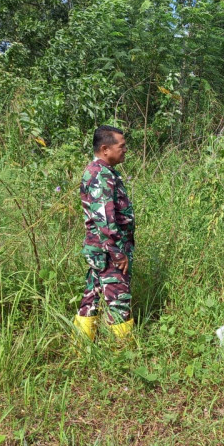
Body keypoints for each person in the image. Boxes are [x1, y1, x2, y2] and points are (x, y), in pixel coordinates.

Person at [73, 125, 136, 341]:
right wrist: (118, 252)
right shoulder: (100, 175)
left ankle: (82, 346)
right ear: (105, 148)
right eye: (122, 146)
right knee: (118, 298)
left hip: (100, 250)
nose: (125, 149)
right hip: (108, 251)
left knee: (92, 297)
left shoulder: (103, 172)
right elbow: (105, 220)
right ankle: (121, 352)